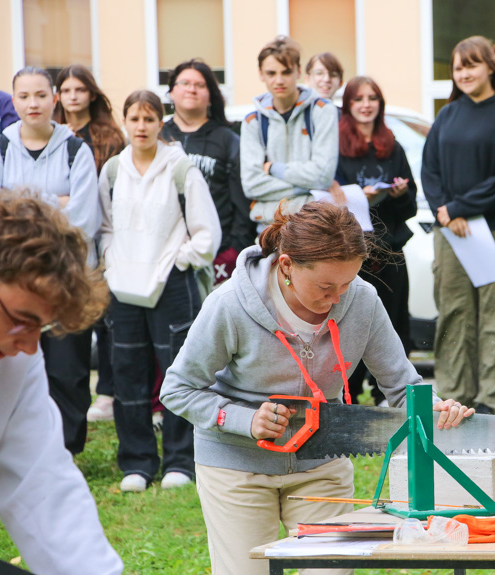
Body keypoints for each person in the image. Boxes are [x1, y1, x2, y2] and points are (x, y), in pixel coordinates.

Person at [161, 201, 473, 575]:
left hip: (322, 466)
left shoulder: (363, 301)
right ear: (288, 265)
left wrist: (433, 407)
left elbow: (402, 386)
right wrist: (244, 420)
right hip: (236, 468)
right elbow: (178, 388)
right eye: (326, 286)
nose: (338, 298)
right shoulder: (230, 305)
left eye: (348, 282)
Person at [0, 190, 122, 574]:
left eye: (40, 328)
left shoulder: (14, 362)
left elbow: (41, 484)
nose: (29, 346)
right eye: (22, 319)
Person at [98, 90, 221, 492]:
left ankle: (180, 462)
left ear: (160, 121)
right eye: (134, 118)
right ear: (125, 121)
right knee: (127, 375)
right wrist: (111, 262)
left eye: (150, 119)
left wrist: (178, 260)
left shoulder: (180, 167)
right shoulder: (114, 171)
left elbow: (207, 233)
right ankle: (136, 462)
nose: (141, 127)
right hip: (123, 288)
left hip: (172, 286)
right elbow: (104, 228)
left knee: (178, 375)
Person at [0, 66, 101, 455]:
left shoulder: (76, 150)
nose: (32, 103)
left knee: (68, 372)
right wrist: (55, 203)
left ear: (55, 99)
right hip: (11, 287)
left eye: (40, 95)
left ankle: (65, 451)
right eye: (23, 96)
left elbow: (83, 220)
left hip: (63, 282)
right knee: (12, 370)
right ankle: (17, 451)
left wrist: (17, 200)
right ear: (12, 102)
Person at [422, 36, 495, 415]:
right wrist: (445, 211)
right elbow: (430, 169)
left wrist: (459, 207)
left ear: (489, 67)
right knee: (453, 313)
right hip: (452, 232)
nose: (464, 73)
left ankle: (493, 399)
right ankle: (455, 395)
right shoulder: (448, 115)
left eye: (471, 65)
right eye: (458, 67)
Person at [335, 76, 417, 404]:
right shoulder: (337, 148)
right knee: (348, 325)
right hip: (352, 253)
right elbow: (329, 199)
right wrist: (359, 197)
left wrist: (398, 193)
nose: (366, 104)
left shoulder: (392, 145)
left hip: (391, 250)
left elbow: (411, 205)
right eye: (358, 99)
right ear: (348, 106)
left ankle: (389, 393)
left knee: (395, 323)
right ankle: (348, 394)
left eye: (373, 98)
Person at [53, 64, 127, 424]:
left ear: (91, 94)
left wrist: (72, 200)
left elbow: (105, 190)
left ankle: (108, 392)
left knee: (106, 318)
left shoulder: (107, 134)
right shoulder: (51, 134)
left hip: (102, 232)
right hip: (61, 239)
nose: (72, 97)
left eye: (79, 90)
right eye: (66, 90)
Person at [162, 59, 256, 285]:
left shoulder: (228, 140)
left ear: (211, 94)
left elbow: (242, 204)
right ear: (172, 92)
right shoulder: (157, 136)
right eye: (184, 82)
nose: (191, 89)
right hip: (164, 256)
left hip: (217, 256)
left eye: (200, 85)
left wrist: (233, 252)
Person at [241, 36, 339, 228]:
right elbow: (251, 184)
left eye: (286, 72)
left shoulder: (322, 110)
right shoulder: (253, 121)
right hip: (269, 227)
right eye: (271, 73)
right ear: (261, 74)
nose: (279, 80)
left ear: (298, 72)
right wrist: (304, 186)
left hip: (313, 225)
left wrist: (273, 169)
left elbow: (322, 176)